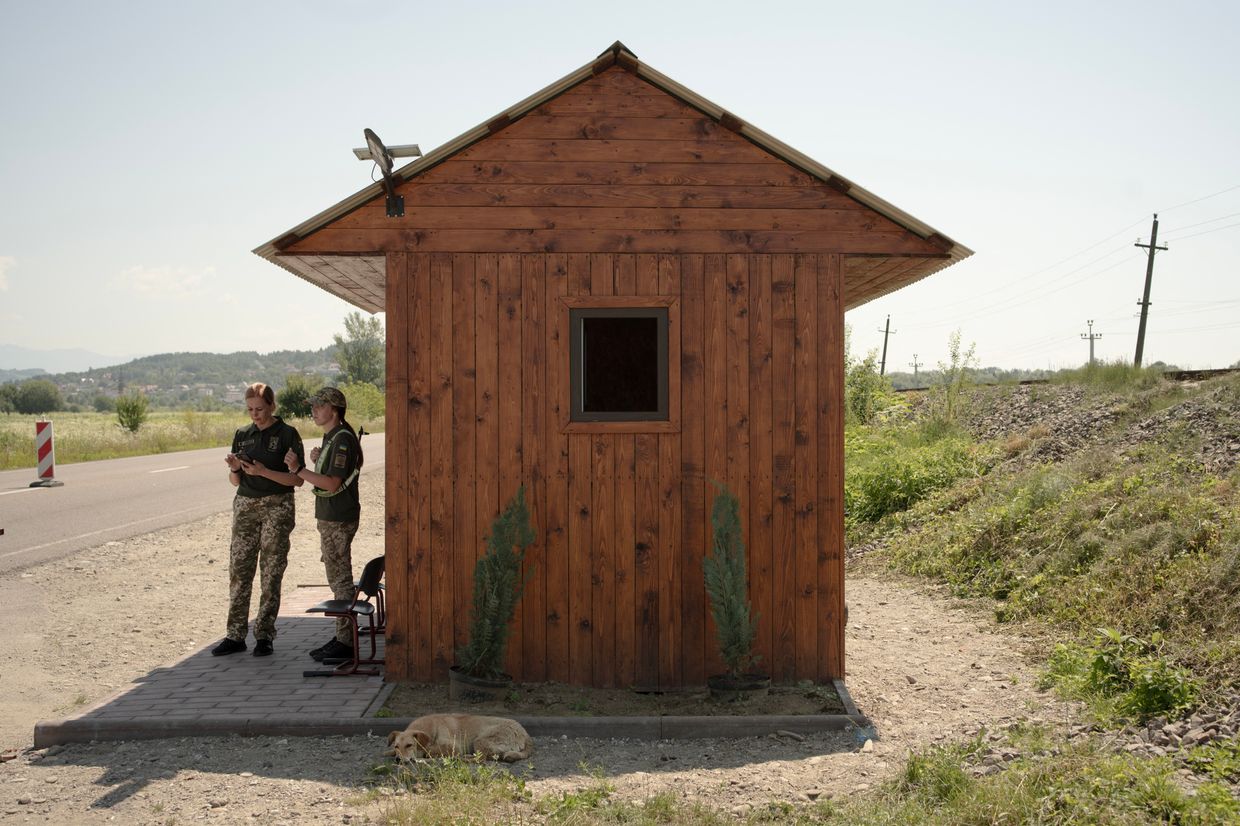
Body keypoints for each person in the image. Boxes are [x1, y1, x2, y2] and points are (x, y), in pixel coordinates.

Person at [212, 382, 305, 658]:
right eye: (250, 409)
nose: (255, 414)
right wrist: (235, 468)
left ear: (272, 406)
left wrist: (264, 472)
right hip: (245, 505)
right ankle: (235, 635)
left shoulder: (287, 434)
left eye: (260, 409)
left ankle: (264, 634)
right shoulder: (242, 434)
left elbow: (297, 479)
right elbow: (234, 482)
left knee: (271, 570)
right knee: (239, 571)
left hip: (277, 505)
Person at [284, 386, 363, 663]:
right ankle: (343, 636)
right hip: (332, 516)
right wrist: (319, 461)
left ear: (334, 409)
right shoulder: (333, 437)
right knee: (337, 577)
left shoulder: (341, 439)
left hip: (338, 518)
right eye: (314, 406)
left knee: (340, 579)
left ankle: (346, 641)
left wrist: (298, 470)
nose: (314, 411)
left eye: (319, 406)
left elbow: (332, 483)